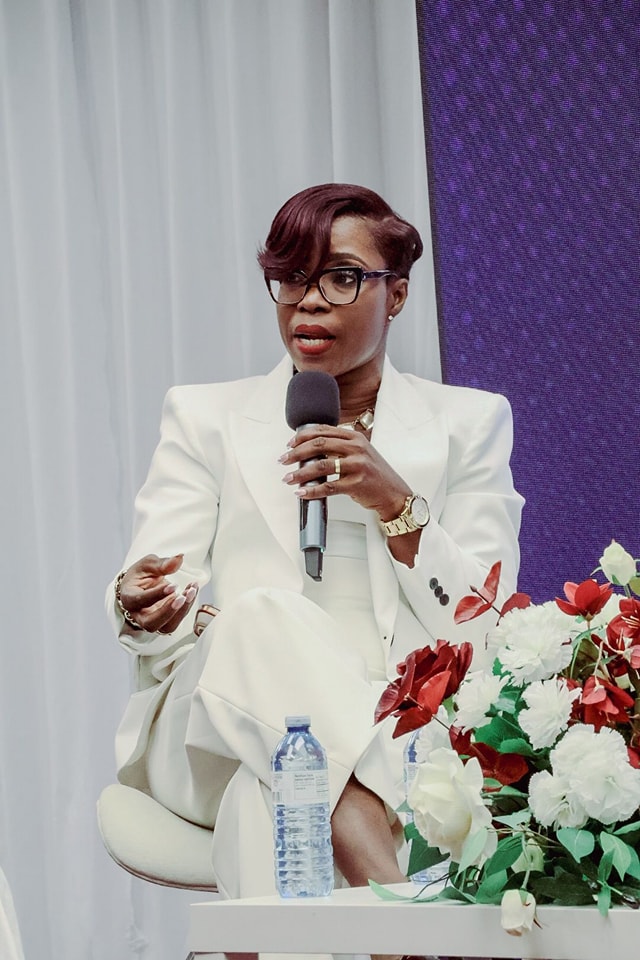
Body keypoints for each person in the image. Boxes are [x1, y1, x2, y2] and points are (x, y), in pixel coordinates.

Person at [106, 183, 524, 959]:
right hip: (211, 730)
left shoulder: (468, 424)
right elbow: (156, 600)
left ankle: (375, 925)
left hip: (399, 738)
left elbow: (485, 628)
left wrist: (397, 503)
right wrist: (138, 603)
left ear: (398, 294)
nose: (309, 300)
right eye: (291, 276)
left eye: (342, 277)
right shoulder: (205, 417)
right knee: (261, 614)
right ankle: (393, 900)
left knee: (274, 793)